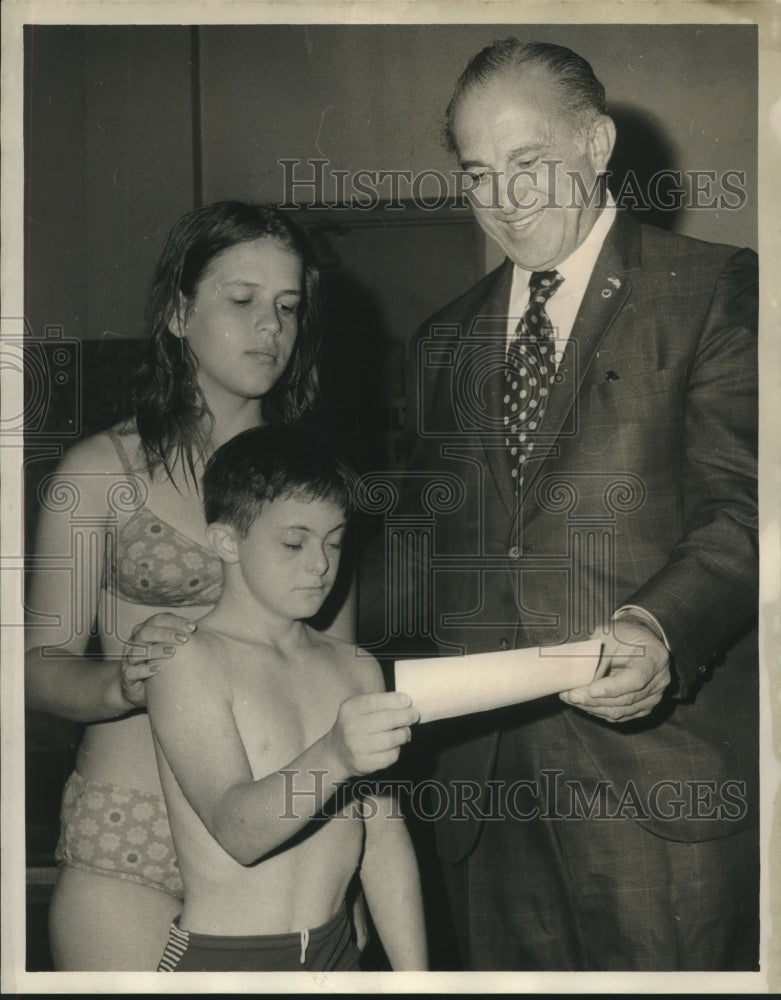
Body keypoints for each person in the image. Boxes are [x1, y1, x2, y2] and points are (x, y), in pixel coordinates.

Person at [385, 39, 758, 970]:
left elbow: (748, 507)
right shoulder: (444, 337)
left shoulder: (711, 289)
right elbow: (430, 550)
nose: (504, 200)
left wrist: (657, 627)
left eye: (528, 164)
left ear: (595, 144)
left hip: (656, 790)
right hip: (483, 796)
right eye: (478, 174)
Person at [24, 201, 353, 970]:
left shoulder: (314, 490)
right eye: (241, 301)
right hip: (128, 834)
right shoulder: (99, 472)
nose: (268, 327)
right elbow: (36, 667)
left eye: (286, 306)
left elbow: (342, 677)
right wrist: (123, 685)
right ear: (179, 312)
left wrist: (359, 864)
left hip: (281, 844)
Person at [147, 424, 427, 972]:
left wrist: (417, 979)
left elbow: (385, 840)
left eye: (335, 540)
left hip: (338, 952)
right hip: (228, 959)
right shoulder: (190, 661)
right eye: (294, 543)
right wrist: (337, 756)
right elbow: (236, 829)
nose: (321, 564)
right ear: (227, 542)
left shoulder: (355, 667)